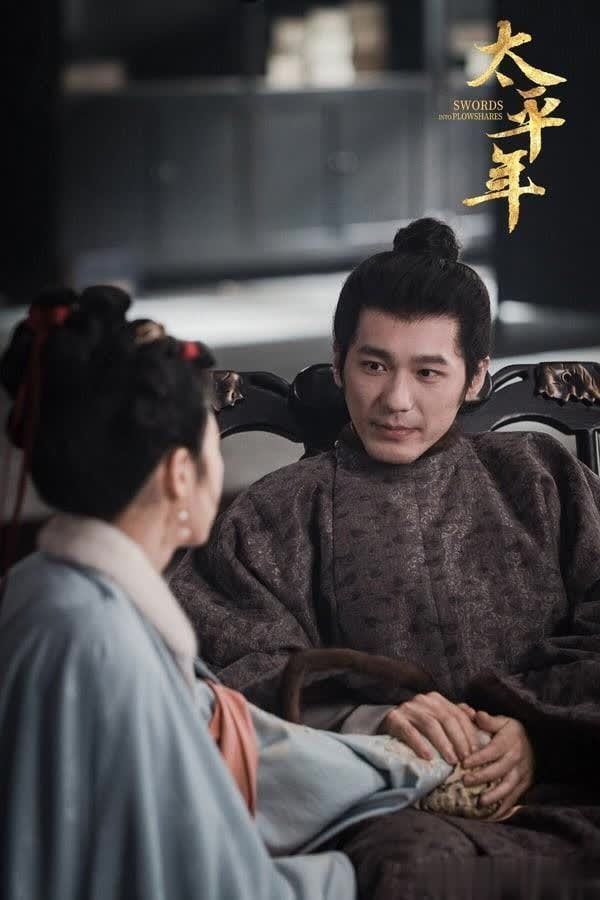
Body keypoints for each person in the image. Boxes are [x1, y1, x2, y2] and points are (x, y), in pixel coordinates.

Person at [170, 219, 600, 897]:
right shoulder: (279, 512)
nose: (397, 401)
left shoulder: (539, 478)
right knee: (414, 874)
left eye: (428, 372)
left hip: (570, 773)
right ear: (339, 361)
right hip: (391, 805)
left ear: (475, 377)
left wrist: (533, 731)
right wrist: (371, 721)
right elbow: (221, 669)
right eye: (374, 366)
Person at [0, 285, 464, 900]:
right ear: (179, 474)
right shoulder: (103, 643)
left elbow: (238, 739)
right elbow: (205, 877)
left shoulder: (40, 589)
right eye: (210, 446)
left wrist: (406, 764)